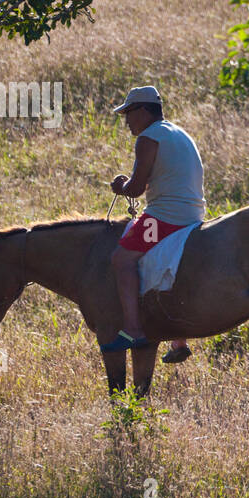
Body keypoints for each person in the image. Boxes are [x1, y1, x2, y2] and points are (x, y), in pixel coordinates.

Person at [102, 85, 205, 363]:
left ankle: (133, 329)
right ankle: (178, 339)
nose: (126, 121)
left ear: (144, 110)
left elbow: (135, 189)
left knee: (122, 260)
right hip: (194, 214)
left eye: (129, 113)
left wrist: (120, 186)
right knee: (161, 262)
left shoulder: (148, 137)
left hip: (165, 217)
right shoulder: (178, 133)